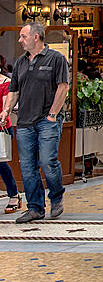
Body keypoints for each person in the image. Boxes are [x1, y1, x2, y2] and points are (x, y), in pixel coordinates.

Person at [0, 24, 70, 225]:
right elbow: (14, 91)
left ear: (36, 37)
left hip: (47, 120)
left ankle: (56, 196)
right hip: (24, 123)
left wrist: (52, 114)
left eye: (23, 36)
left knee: (48, 162)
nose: (20, 40)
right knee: (28, 167)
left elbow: (63, 87)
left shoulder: (56, 58)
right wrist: (6, 110)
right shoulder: (21, 62)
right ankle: (35, 208)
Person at [0, 67, 20, 214]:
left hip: (1, 129)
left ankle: (14, 194)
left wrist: (4, 114)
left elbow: (6, 107)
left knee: (1, 163)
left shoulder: (6, 83)